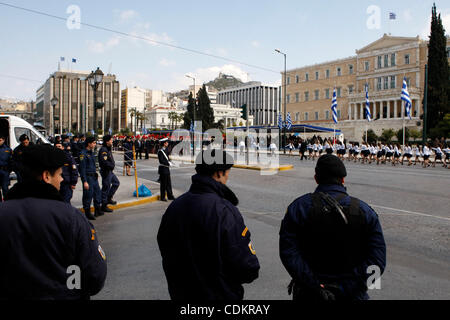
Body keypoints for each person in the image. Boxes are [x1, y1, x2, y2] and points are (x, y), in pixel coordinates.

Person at [0, 144, 107, 299]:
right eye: (59, 174)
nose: (62, 179)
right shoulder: (70, 217)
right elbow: (94, 276)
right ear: (46, 176)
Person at [279, 154, 386, 301]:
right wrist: (349, 286)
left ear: (316, 178)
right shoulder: (364, 211)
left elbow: (289, 253)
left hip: (309, 294)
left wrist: (314, 285)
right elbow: (377, 261)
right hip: (352, 294)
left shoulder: (299, 208)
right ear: (343, 179)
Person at [157, 149, 260, 300]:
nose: (227, 178)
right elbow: (247, 267)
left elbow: (164, 246)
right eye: (227, 173)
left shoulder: (175, 207)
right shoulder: (224, 211)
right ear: (219, 173)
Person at [79, 137, 103, 220]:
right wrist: (84, 181)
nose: (94, 144)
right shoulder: (83, 154)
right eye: (93, 143)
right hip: (88, 177)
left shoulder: (91, 153)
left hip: (93, 176)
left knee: (97, 193)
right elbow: (82, 169)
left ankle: (97, 210)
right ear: (88, 143)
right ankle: (87, 213)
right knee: (88, 195)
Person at [98, 135, 120, 213]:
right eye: (111, 140)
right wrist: (111, 166)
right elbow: (104, 162)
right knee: (106, 188)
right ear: (107, 141)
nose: (112, 141)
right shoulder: (103, 150)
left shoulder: (108, 149)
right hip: (106, 171)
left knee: (116, 183)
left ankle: (108, 198)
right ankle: (103, 205)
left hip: (110, 171)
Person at [0, 135, 12, 199]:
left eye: (0, 140)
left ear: (3, 140)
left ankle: (6, 204)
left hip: (5, 172)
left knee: (5, 189)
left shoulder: (8, 150)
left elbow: (11, 162)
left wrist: (8, 171)